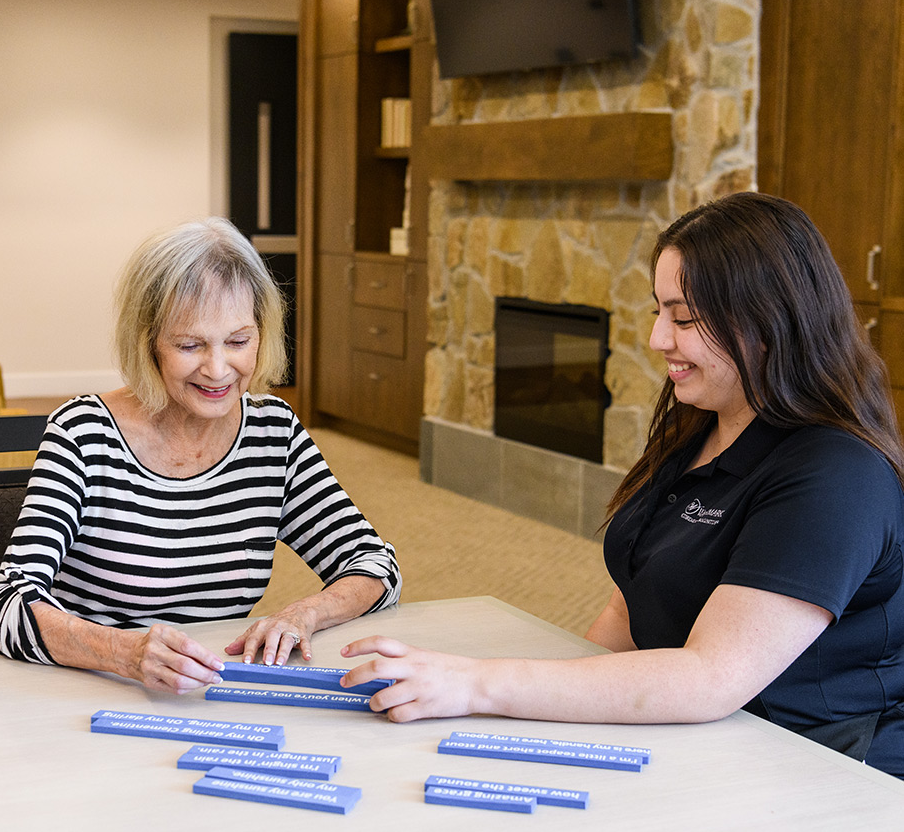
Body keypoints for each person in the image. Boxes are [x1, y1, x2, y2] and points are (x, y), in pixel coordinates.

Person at [340, 192, 904, 778]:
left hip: (815, 763)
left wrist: (478, 684)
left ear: (769, 320)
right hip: (704, 738)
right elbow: (627, 609)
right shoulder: (702, 425)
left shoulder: (838, 474)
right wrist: (525, 715)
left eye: (683, 318)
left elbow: (709, 678)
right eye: (658, 311)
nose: (659, 338)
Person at [0, 217, 400, 693]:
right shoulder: (83, 433)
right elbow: (6, 607)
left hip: (206, 694)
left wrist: (303, 613)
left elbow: (374, 564)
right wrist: (126, 651)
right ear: (148, 342)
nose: (220, 370)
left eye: (239, 341)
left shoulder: (273, 432)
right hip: (88, 690)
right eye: (190, 345)